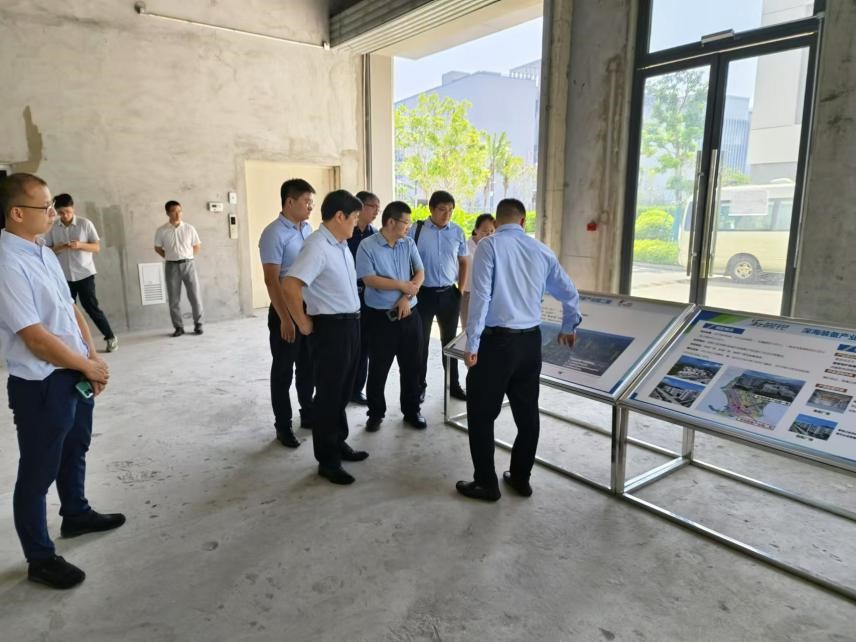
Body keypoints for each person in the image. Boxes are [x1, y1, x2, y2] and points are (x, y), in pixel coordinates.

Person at [0, 173, 125, 589]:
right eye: (46, 207)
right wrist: (86, 367)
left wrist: (92, 358)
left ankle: (76, 513)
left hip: (73, 371)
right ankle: (40, 558)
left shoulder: (43, 252)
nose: (54, 214)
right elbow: (35, 338)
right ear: (17, 213)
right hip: (41, 383)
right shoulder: (7, 262)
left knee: (76, 447)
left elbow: (71, 311)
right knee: (37, 472)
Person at [457, 198, 581, 502]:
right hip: (529, 343)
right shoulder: (541, 250)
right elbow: (569, 292)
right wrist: (568, 326)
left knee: (481, 414)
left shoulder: (489, 246)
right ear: (523, 221)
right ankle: (520, 478)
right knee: (527, 415)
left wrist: (472, 343)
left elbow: (481, 298)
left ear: (497, 222)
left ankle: (486, 483)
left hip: (496, 344)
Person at [282, 190, 368, 485]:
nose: (357, 223)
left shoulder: (340, 244)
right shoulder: (317, 245)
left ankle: (338, 442)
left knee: (342, 391)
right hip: (331, 329)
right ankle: (327, 461)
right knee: (329, 395)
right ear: (339, 216)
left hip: (350, 325)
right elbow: (290, 285)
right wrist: (303, 323)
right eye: (354, 217)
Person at [355, 201, 426, 432]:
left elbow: (420, 272)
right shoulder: (367, 245)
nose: (409, 226)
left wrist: (406, 296)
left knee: (412, 366)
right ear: (391, 222)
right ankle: (375, 413)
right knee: (379, 368)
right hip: (381, 319)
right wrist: (401, 285)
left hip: (410, 314)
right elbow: (368, 279)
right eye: (406, 222)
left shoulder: (408, 243)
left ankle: (412, 411)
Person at [258, 178, 316, 448]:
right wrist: (285, 319)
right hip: (285, 311)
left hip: (308, 307)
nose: (311, 206)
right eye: (306, 201)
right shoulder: (273, 234)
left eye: (312, 202)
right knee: (283, 370)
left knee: (308, 365)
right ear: (290, 202)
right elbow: (271, 280)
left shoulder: (307, 229)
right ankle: (283, 426)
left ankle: (308, 413)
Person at [409, 190, 469, 402]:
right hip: (423, 294)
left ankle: (453, 385)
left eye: (451, 210)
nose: (447, 214)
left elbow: (464, 262)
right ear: (431, 209)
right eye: (442, 209)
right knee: (421, 342)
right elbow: (407, 260)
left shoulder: (457, 232)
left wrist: (459, 290)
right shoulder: (416, 230)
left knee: (450, 343)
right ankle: (419, 385)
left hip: (449, 294)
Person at [44, 193, 119, 353]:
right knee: (68, 311)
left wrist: (80, 245)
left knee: (91, 308)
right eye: (61, 212)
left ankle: (110, 337)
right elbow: (46, 251)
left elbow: (96, 247)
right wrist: (59, 247)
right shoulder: (52, 227)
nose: (65, 215)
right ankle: (76, 345)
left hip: (85, 274)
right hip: (63, 276)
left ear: (73, 208)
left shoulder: (85, 224)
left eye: (67, 212)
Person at [347, 190, 380, 405]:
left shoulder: (375, 235)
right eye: (372, 206)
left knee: (365, 345)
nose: (377, 211)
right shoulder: (345, 232)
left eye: (378, 207)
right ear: (360, 206)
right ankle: (343, 387)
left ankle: (357, 389)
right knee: (347, 345)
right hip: (347, 296)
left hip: (368, 296)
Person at [154, 200, 203, 336]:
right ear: (167, 213)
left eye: (179, 211)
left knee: (195, 296)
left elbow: (197, 246)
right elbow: (157, 248)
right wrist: (170, 257)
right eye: (174, 211)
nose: (178, 214)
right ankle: (178, 327)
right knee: (173, 299)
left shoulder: (189, 228)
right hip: (171, 267)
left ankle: (198, 324)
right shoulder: (161, 231)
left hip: (189, 265)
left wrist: (187, 256)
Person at [459, 213, 496, 329]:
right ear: (476, 229)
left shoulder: (494, 247)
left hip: (489, 295)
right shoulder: (465, 247)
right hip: (468, 294)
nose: (489, 235)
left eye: (492, 231)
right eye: (485, 231)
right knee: (468, 329)